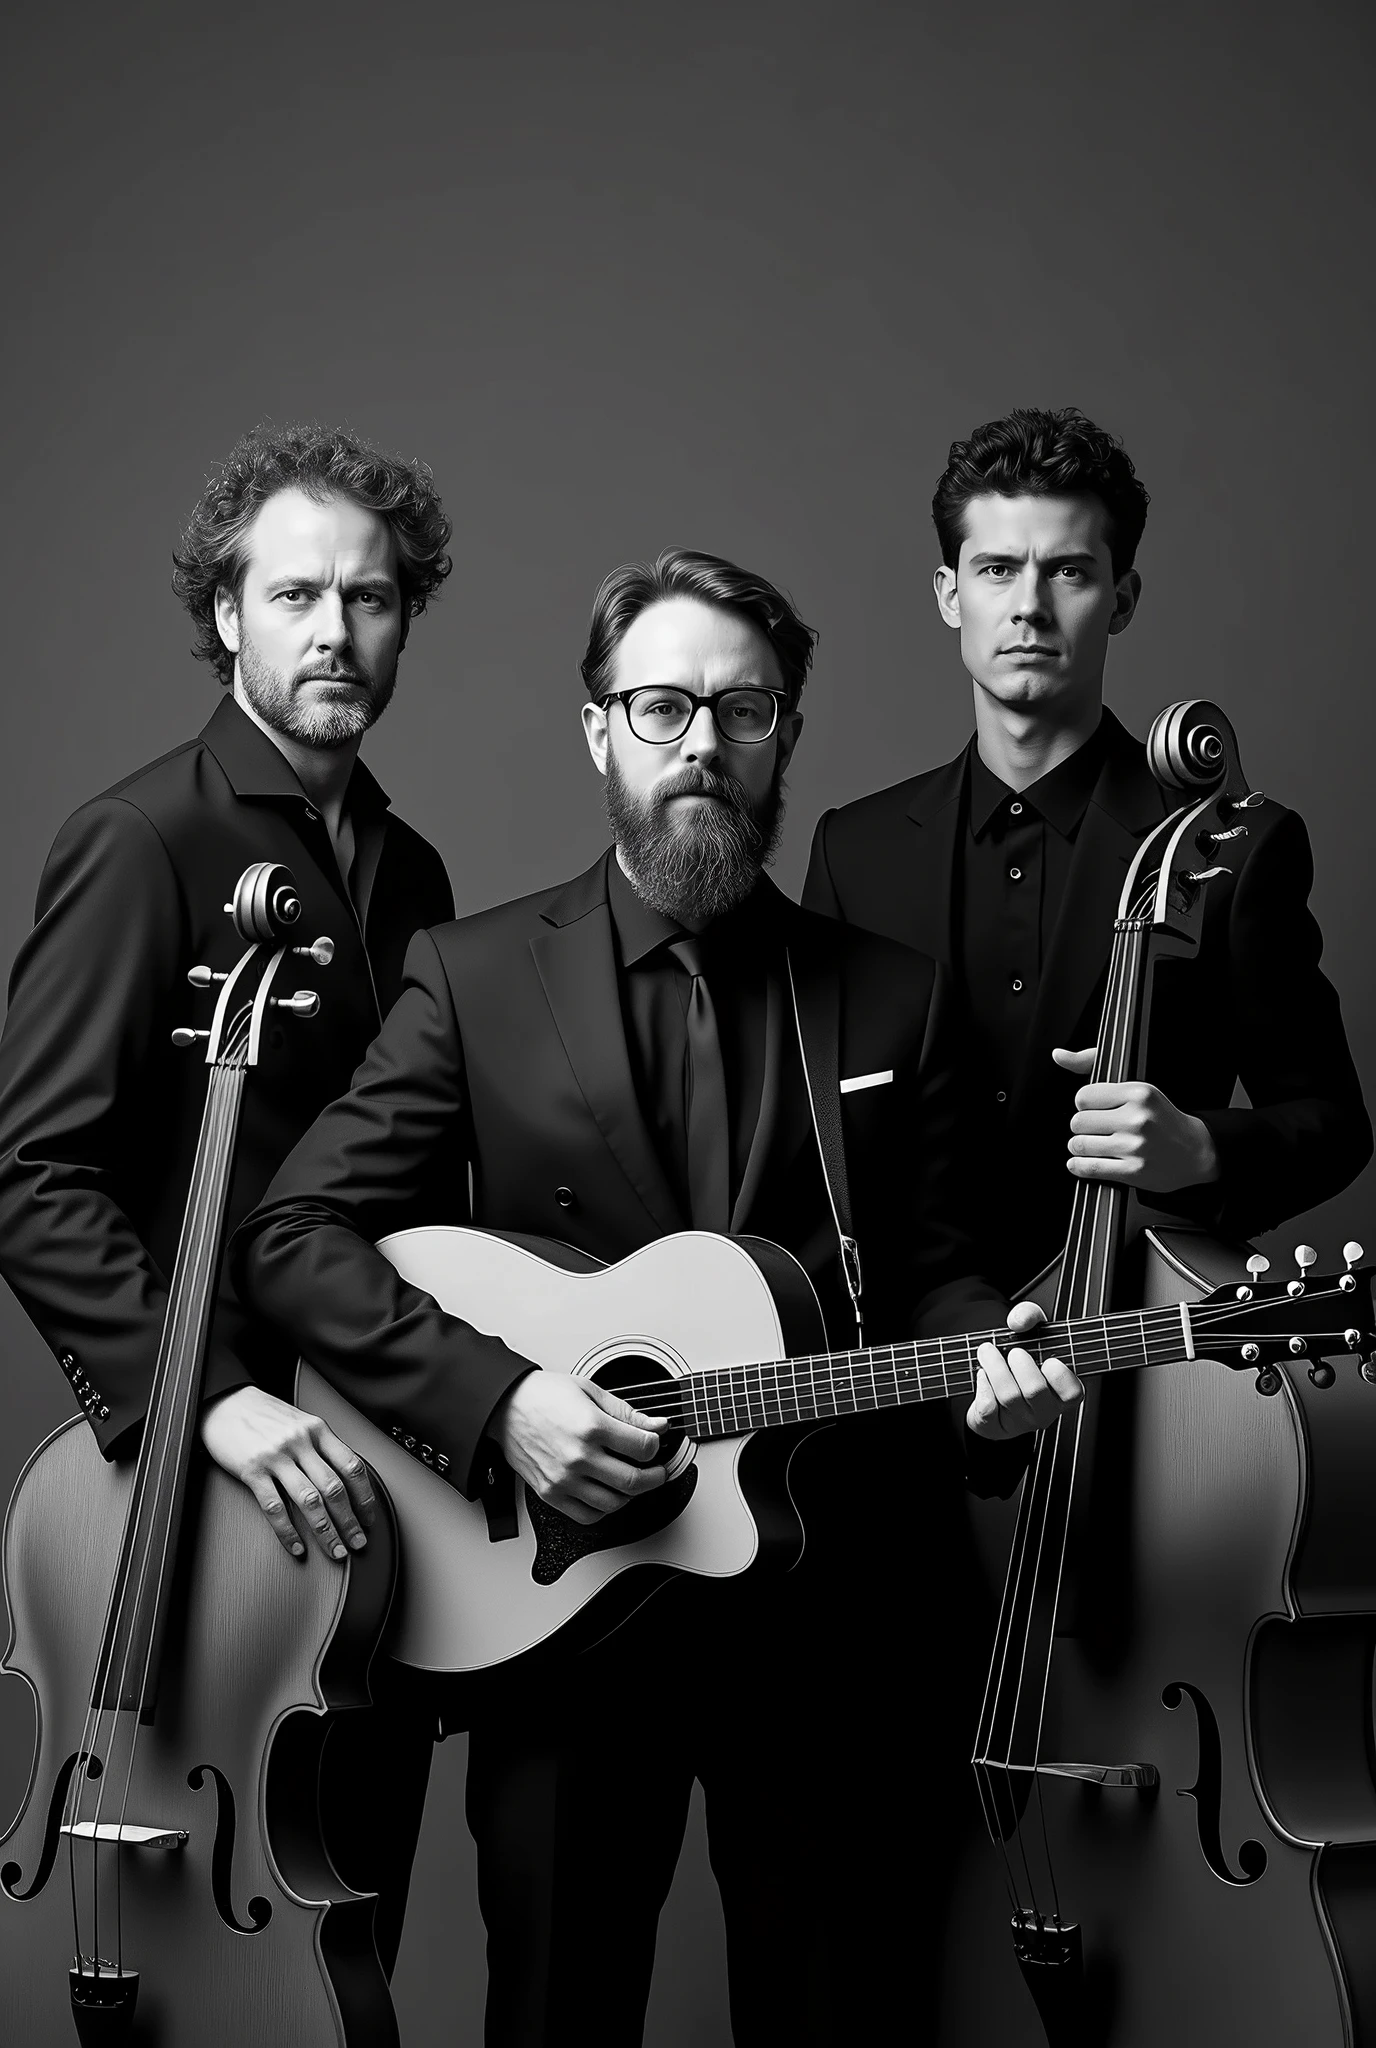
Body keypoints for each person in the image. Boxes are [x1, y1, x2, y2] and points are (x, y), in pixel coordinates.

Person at [233, 547, 1079, 2047]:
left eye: (743, 711)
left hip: (836, 1618)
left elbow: (946, 1268)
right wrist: (502, 1408)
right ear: (599, 728)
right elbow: (295, 1233)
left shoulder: (894, 994)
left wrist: (991, 1375)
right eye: (664, 705)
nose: (703, 744)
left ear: (787, 740)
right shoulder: (474, 975)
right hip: (561, 1618)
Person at [0, 420, 457, 1971]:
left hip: (377, 1475)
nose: (337, 632)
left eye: (374, 599)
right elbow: (31, 1171)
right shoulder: (142, 841)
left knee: (348, 1909)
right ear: (224, 617)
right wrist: (199, 1401)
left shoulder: (414, 872)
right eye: (296, 597)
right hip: (207, 1482)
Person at [804, 405, 1371, 1294]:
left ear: (1123, 599)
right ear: (951, 594)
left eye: (1068, 571)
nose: (1028, 606)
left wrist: (1199, 1148)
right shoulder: (853, 851)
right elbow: (815, 1141)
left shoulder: (1233, 845)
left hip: (1137, 1356)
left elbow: (1336, 1124)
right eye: (996, 570)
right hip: (907, 1377)